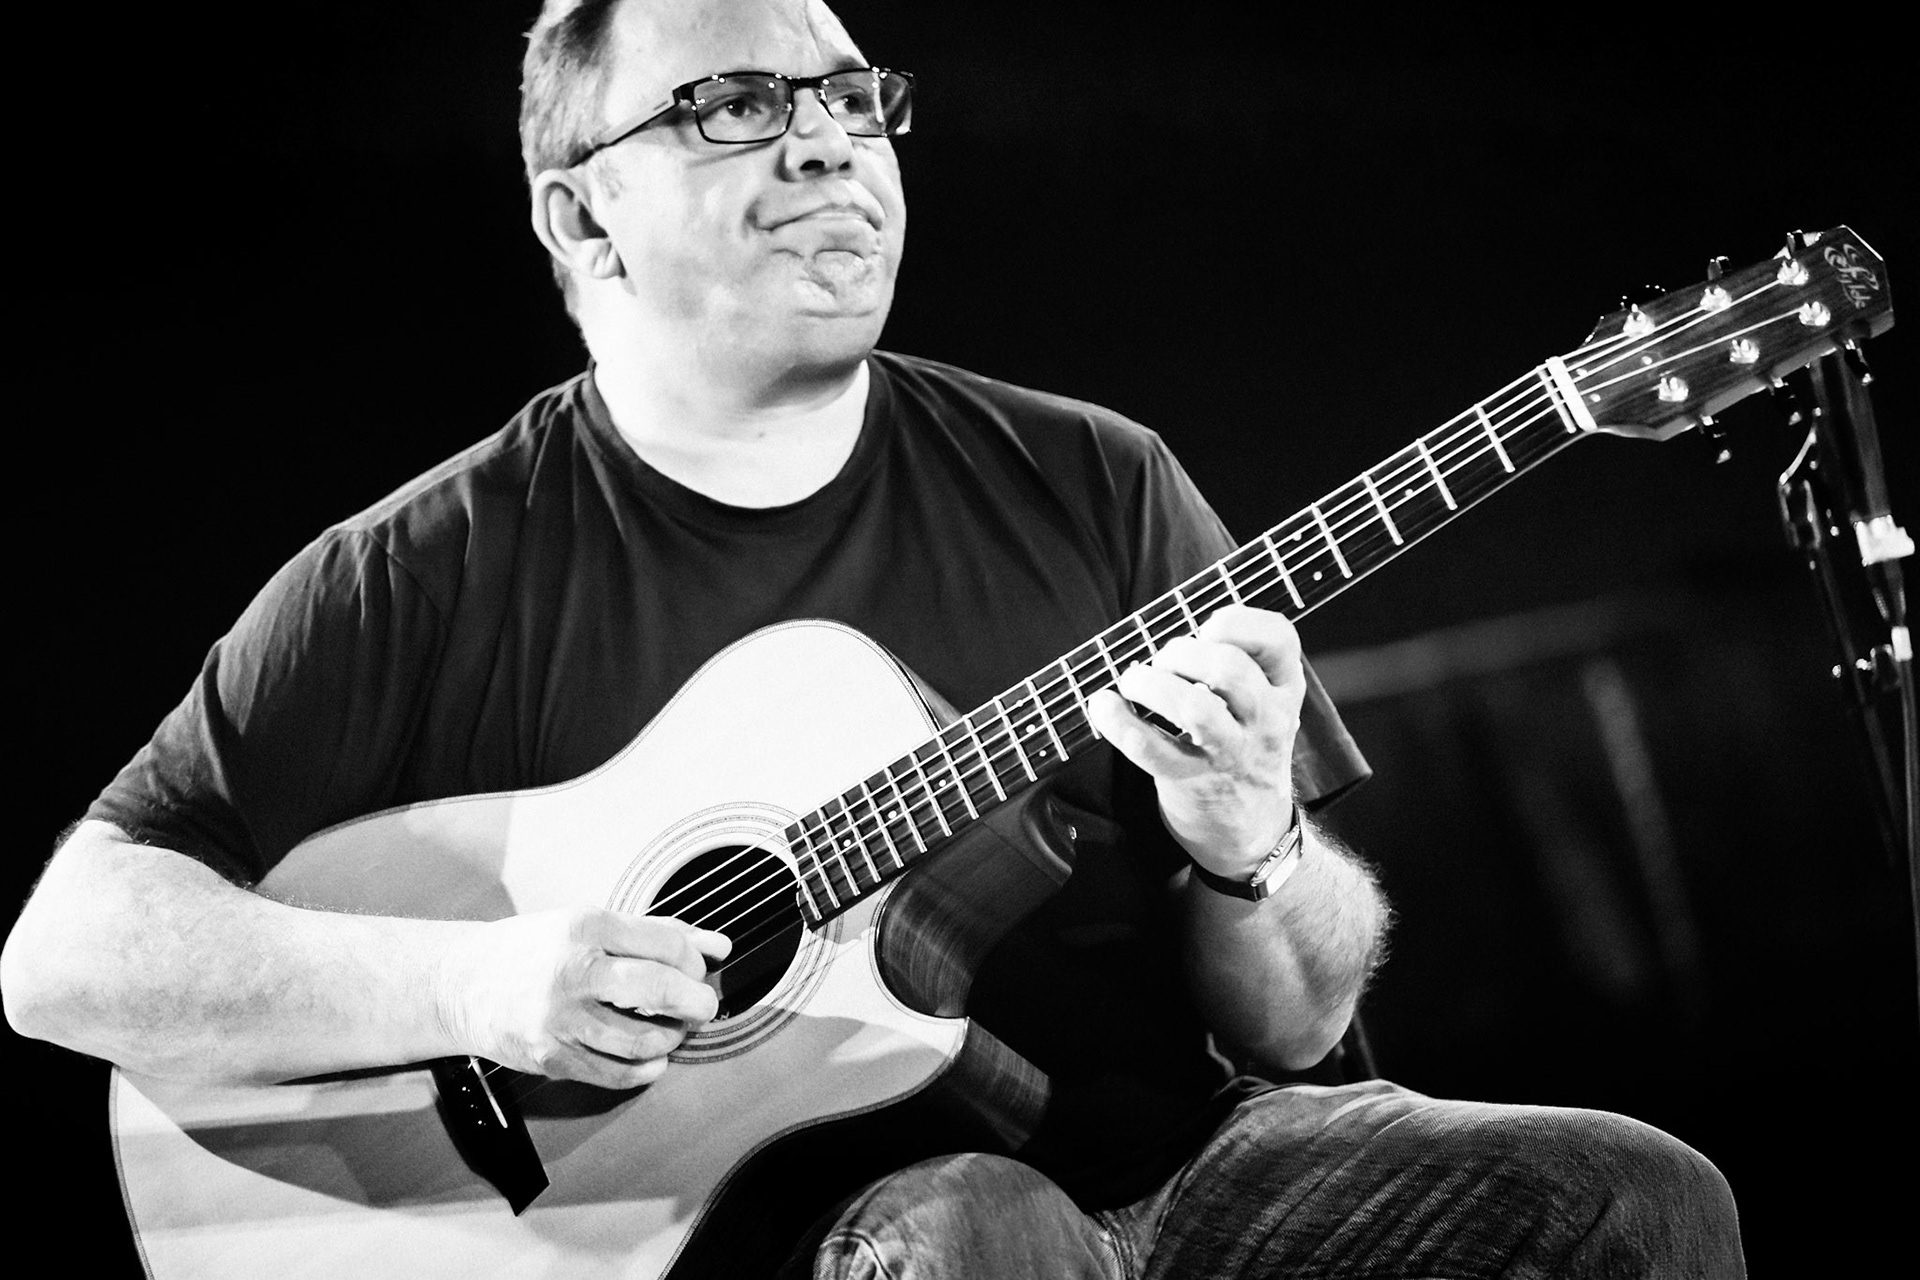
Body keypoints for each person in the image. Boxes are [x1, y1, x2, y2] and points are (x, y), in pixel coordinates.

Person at [1, 0, 1745, 1275]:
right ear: (579, 212)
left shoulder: (1094, 478)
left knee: (1639, 1199)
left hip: (1191, 1178)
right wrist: (476, 983)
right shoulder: (417, 573)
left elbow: (1296, 1026)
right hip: (773, 1245)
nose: (829, 139)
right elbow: (65, 955)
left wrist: (1249, 847)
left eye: (851, 95)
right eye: (736, 105)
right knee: (981, 1235)